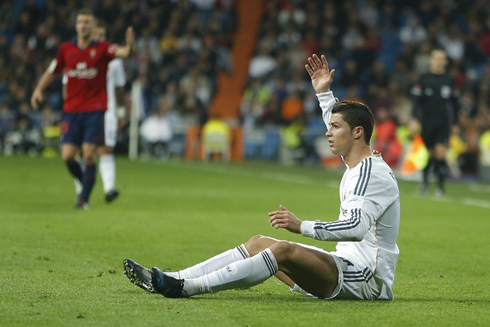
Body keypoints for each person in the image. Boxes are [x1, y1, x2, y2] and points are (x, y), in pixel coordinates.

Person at [123, 54, 400, 300]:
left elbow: (355, 228)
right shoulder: (356, 157)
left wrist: (300, 225)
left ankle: (187, 288)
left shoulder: (370, 174)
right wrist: (323, 93)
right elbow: (341, 121)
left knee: (282, 250)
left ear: (357, 133)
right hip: (343, 266)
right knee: (258, 243)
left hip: (365, 279)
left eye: (336, 127)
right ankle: (178, 277)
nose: (328, 131)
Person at [30, 8, 134, 209]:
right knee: (68, 155)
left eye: (87, 22)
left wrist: (130, 46)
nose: (83, 25)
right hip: (71, 110)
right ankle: (85, 182)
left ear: (93, 26)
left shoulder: (103, 49)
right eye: (80, 22)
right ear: (76, 25)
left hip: (95, 110)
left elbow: (124, 53)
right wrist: (38, 89)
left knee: (88, 154)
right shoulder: (66, 49)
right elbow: (53, 70)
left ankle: (84, 198)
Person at [411, 47, 460, 196]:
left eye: (442, 58)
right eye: (436, 58)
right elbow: (416, 102)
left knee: (440, 153)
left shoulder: (450, 80)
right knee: (431, 154)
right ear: (431, 60)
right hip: (427, 122)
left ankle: (440, 187)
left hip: (443, 122)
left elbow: (455, 104)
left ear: (445, 62)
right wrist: (414, 119)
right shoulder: (423, 78)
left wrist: (456, 123)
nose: (439, 61)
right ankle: (425, 183)